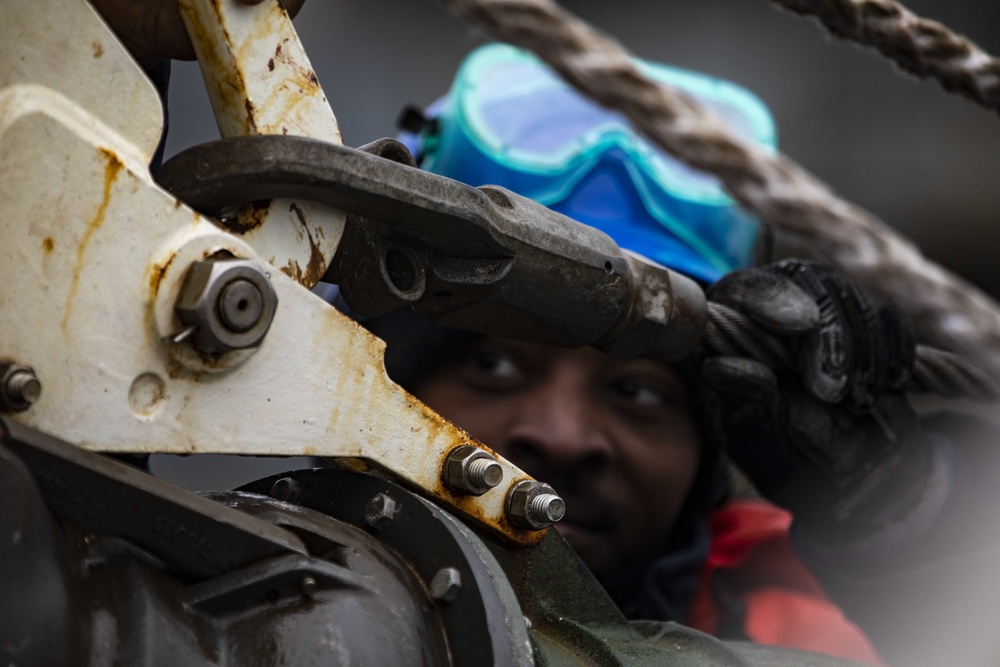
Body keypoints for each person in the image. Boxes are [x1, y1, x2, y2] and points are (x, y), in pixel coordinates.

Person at [356, 43, 910, 664]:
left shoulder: (808, 633)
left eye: (637, 391)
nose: (564, 437)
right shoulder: (231, 578)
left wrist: (899, 538)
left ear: (707, 462)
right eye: (495, 366)